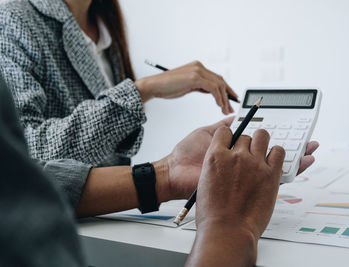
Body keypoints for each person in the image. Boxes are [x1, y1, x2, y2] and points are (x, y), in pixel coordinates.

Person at [0, 70, 292, 267]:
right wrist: (229, 226)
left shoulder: (106, 25)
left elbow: (13, 180)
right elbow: (25, 159)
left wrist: (166, 174)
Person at [0, 0, 239, 167]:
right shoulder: (13, 20)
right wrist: (142, 90)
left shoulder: (104, 25)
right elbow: (24, 150)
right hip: (60, 223)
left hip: (107, 215)